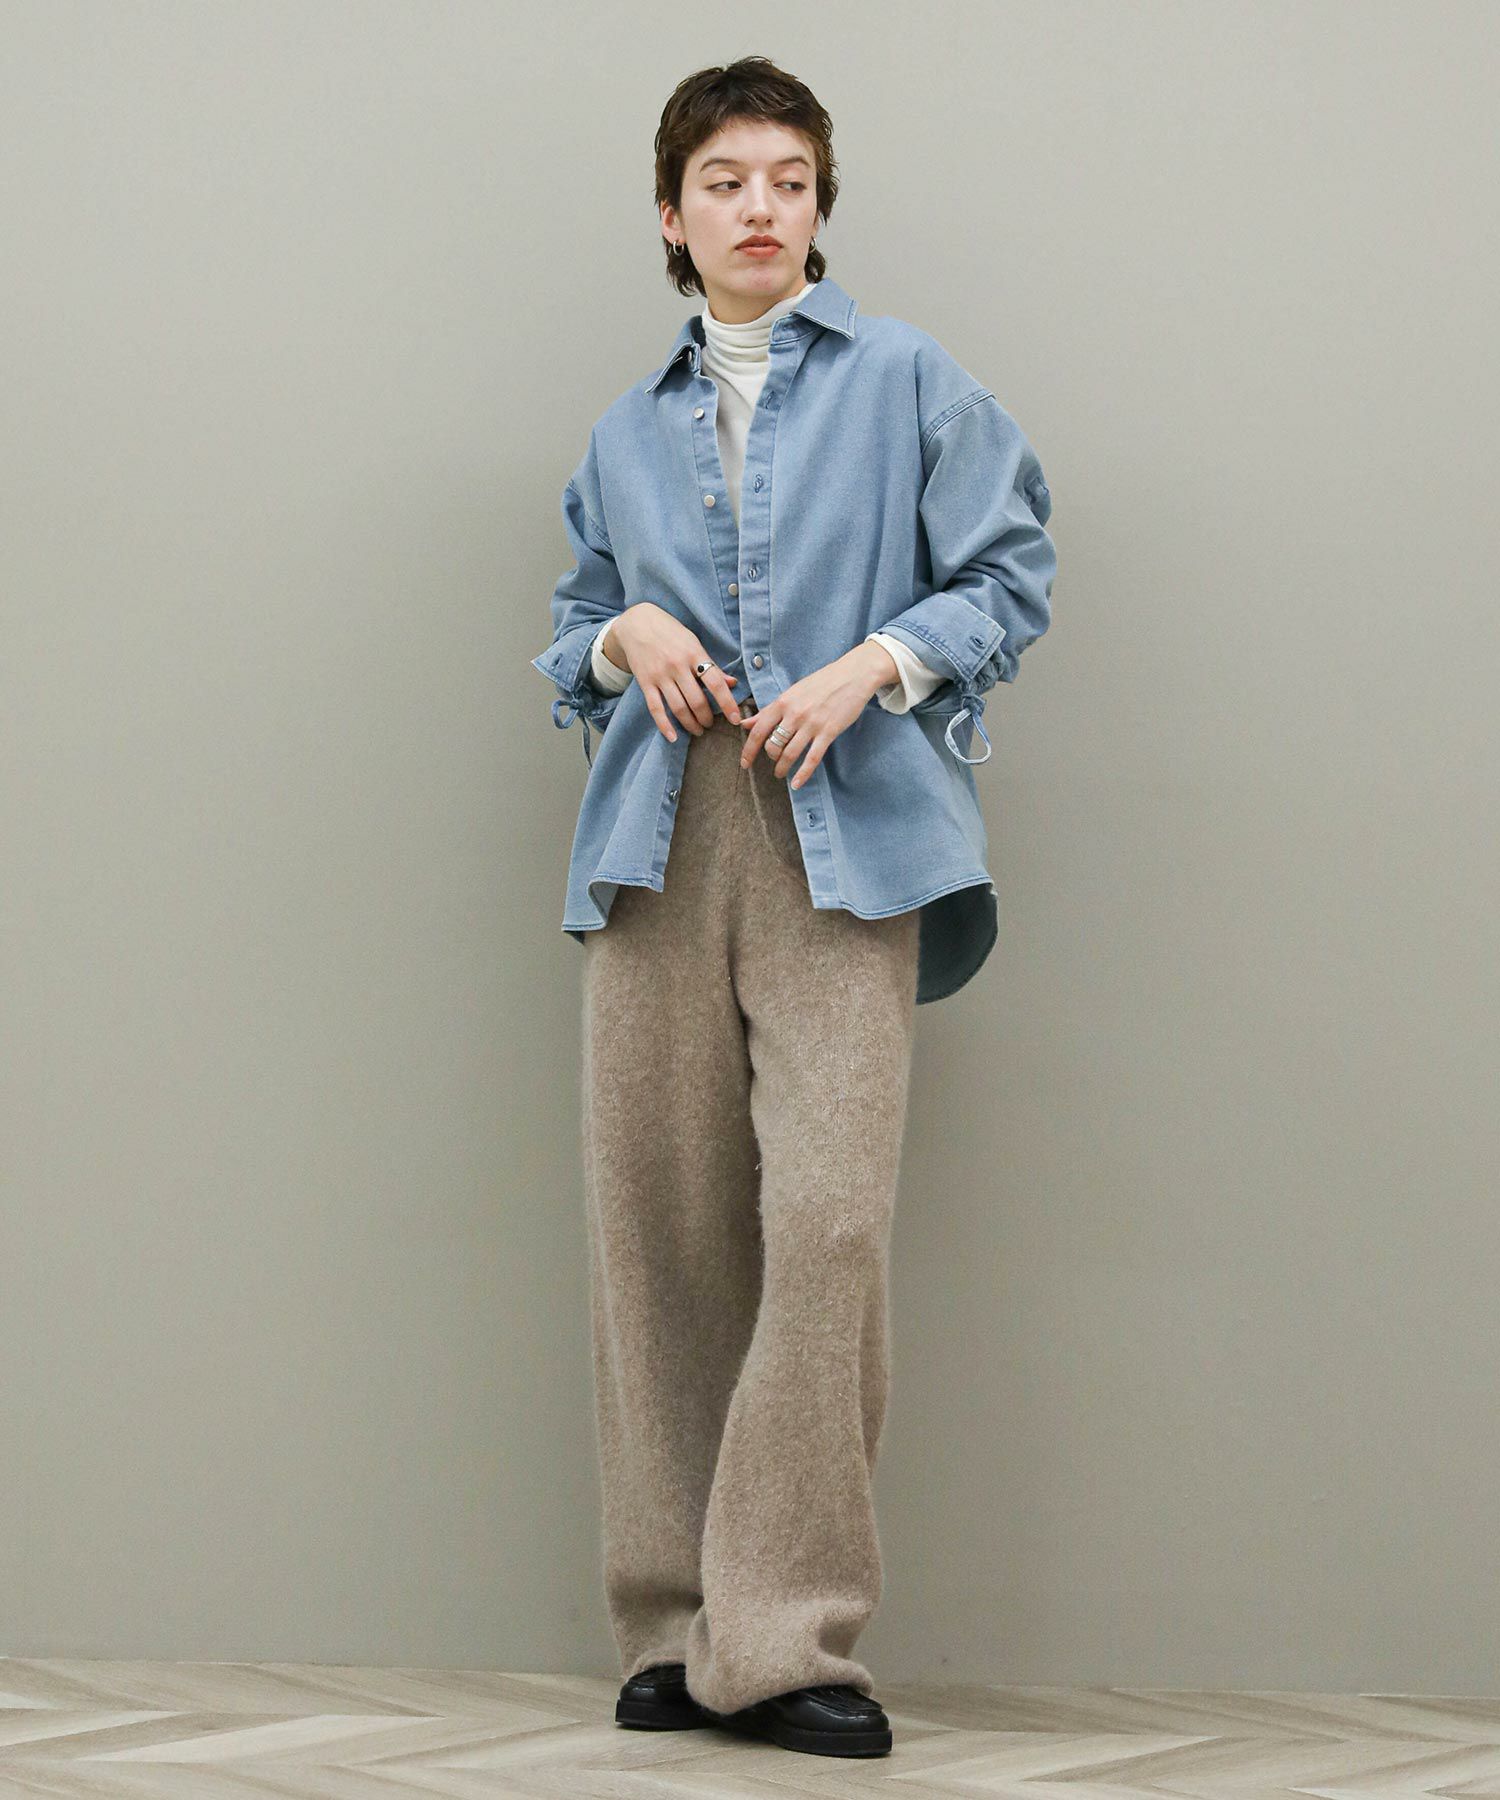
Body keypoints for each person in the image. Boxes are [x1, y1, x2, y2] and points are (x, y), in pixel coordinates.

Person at [531, 56, 1057, 1761]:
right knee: (660, 1238)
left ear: (821, 206)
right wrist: (626, 638)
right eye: (726, 180)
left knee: (825, 1231)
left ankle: (785, 1637)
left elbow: (1010, 572)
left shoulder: (908, 380)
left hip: (848, 841)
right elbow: (570, 632)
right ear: (671, 215)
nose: (761, 207)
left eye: (790, 179)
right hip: (656, 846)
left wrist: (876, 665)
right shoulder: (623, 432)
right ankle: (674, 1626)